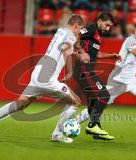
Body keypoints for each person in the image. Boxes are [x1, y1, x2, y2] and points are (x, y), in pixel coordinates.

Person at [0, 15, 89, 143]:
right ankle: (57, 134)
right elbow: (66, 48)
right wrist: (77, 58)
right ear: (76, 26)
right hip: (47, 77)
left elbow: (65, 47)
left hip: (38, 73)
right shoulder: (70, 37)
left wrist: (77, 53)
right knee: (75, 102)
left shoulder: (60, 31)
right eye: (80, 29)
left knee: (21, 104)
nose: (80, 32)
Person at [76, 23, 136, 137]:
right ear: (135, 31)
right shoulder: (130, 40)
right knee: (101, 104)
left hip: (131, 80)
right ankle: (74, 123)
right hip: (117, 80)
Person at [52, 12, 121, 141]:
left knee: (93, 101)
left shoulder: (98, 35)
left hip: (85, 70)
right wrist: (82, 53)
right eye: (106, 25)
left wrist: (110, 56)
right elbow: (76, 39)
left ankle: (97, 130)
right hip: (84, 69)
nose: (108, 28)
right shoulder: (91, 28)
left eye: (110, 26)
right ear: (100, 21)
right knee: (105, 95)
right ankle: (93, 125)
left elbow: (95, 54)